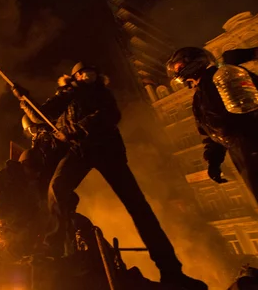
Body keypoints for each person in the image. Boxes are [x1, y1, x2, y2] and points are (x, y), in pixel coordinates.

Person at [13, 62, 207, 290]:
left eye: (91, 72)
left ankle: (171, 270)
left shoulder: (102, 94)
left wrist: (73, 130)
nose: (87, 75)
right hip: (80, 151)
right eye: (82, 73)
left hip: (108, 151)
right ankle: (52, 250)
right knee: (57, 189)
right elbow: (43, 115)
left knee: (138, 207)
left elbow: (109, 115)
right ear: (73, 77)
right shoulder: (66, 95)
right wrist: (24, 99)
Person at [166, 46, 258, 203]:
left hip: (252, 142)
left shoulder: (221, 77)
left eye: (180, 67)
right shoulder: (198, 98)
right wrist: (214, 161)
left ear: (194, 62)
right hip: (239, 153)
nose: (177, 73)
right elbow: (210, 133)